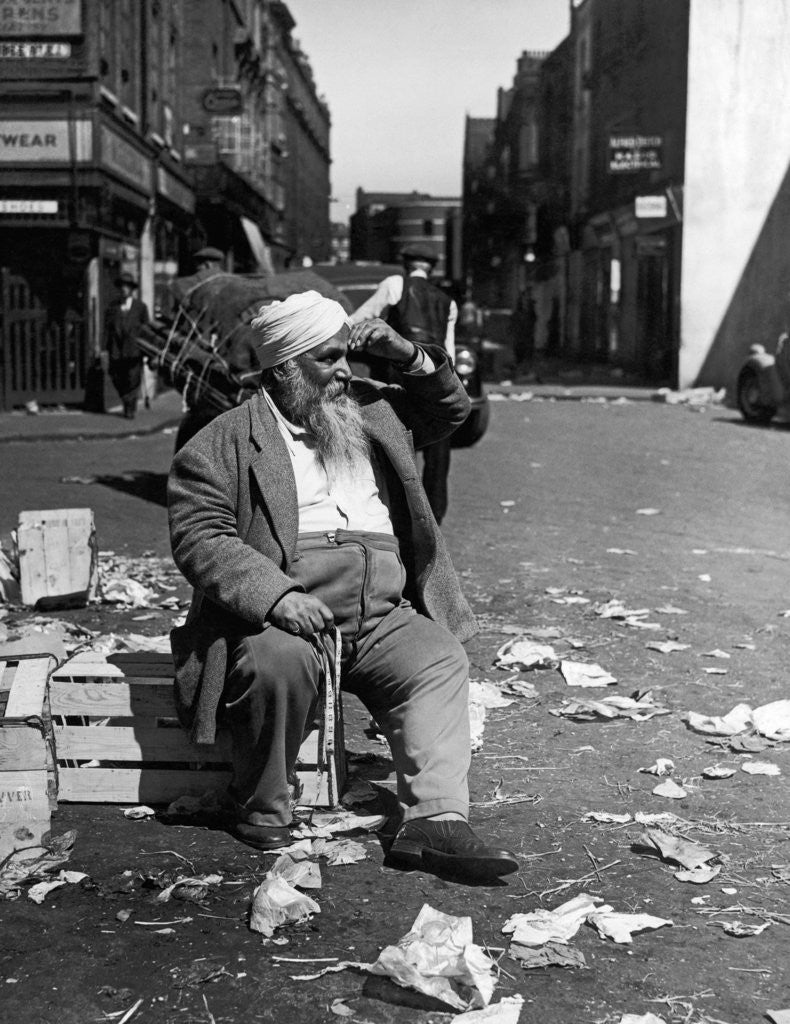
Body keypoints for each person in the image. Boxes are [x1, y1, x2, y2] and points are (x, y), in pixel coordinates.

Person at [168, 290, 518, 883]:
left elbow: (450, 412)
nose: (343, 372)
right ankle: (260, 803)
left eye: (344, 357)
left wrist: (405, 353)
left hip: (380, 612)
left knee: (438, 659)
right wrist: (276, 597)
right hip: (283, 613)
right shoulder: (222, 441)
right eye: (326, 359)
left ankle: (434, 820)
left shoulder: (371, 410)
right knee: (277, 662)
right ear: (284, 368)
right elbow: (200, 535)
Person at [351, 243, 459, 524]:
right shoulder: (448, 300)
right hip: (431, 377)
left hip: (397, 376)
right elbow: (448, 351)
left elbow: (359, 319)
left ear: (406, 265)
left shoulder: (394, 284)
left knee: (395, 444)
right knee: (438, 452)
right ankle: (434, 517)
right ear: (431, 269)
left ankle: (397, 512)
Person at [172, 247, 261, 451]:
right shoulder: (239, 285)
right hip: (241, 368)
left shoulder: (195, 289)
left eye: (200, 267)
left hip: (212, 370)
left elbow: (186, 333)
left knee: (196, 429)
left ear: (206, 265)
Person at [103, 272, 150, 419]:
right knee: (117, 377)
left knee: (133, 379)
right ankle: (126, 400)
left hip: (134, 350)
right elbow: (107, 329)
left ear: (131, 290)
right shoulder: (112, 307)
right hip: (116, 349)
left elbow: (146, 330)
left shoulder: (140, 307)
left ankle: (130, 408)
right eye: (122, 286)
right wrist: (104, 349)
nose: (124, 289)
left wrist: (147, 350)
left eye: (127, 287)